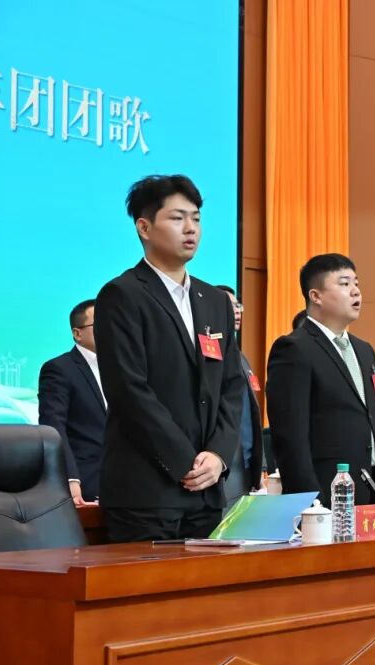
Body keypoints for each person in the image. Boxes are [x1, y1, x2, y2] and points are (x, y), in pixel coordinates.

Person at [94, 175, 244, 542]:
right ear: (144, 227)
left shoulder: (215, 301)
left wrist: (218, 456)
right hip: (147, 493)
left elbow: (230, 384)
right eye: (177, 218)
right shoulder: (122, 295)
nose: (191, 228)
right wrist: (184, 463)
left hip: (207, 490)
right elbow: (129, 391)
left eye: (196, 218)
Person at [266, 253, 375, 508]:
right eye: (344, 283)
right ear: (316, 296)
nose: (356, 291)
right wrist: (309, 503)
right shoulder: (294, 348)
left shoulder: (364, 350)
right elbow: (290, 437)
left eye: (356, 283)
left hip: (374, 489)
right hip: (327, 492)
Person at [37, 299, 106, 505]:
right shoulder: (60, 369)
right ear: (78, 333)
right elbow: (53, 425)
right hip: (88, 482)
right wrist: (70, 477)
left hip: (133, 483)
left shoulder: (128, 368)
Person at [215, 285, 264, 511]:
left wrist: (261, 464)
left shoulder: (241, 357)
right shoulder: (208, 356)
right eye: (229, 305)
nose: (236, 311)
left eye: (238, 306)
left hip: (246, 465)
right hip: (221, 463)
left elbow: (251, 416)